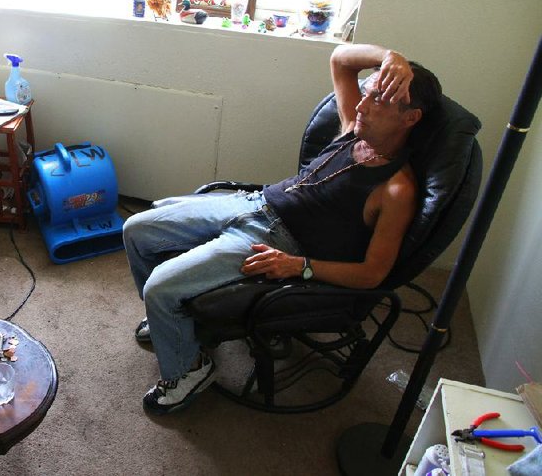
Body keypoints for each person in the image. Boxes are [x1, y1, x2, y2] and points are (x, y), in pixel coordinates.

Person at [122, 44, 443, 415]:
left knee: (160, 287)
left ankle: (190, 370)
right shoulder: (354, 129)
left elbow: (373, 274)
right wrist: (389, 57)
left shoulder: (397, 190)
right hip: (255, 202)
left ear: (411, 117)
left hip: (274, 240)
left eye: (379, 101)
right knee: (136, 229)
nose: (362, 105)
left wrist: (299, 266)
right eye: (367, 92)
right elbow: (341, 59)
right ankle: (175, 327)